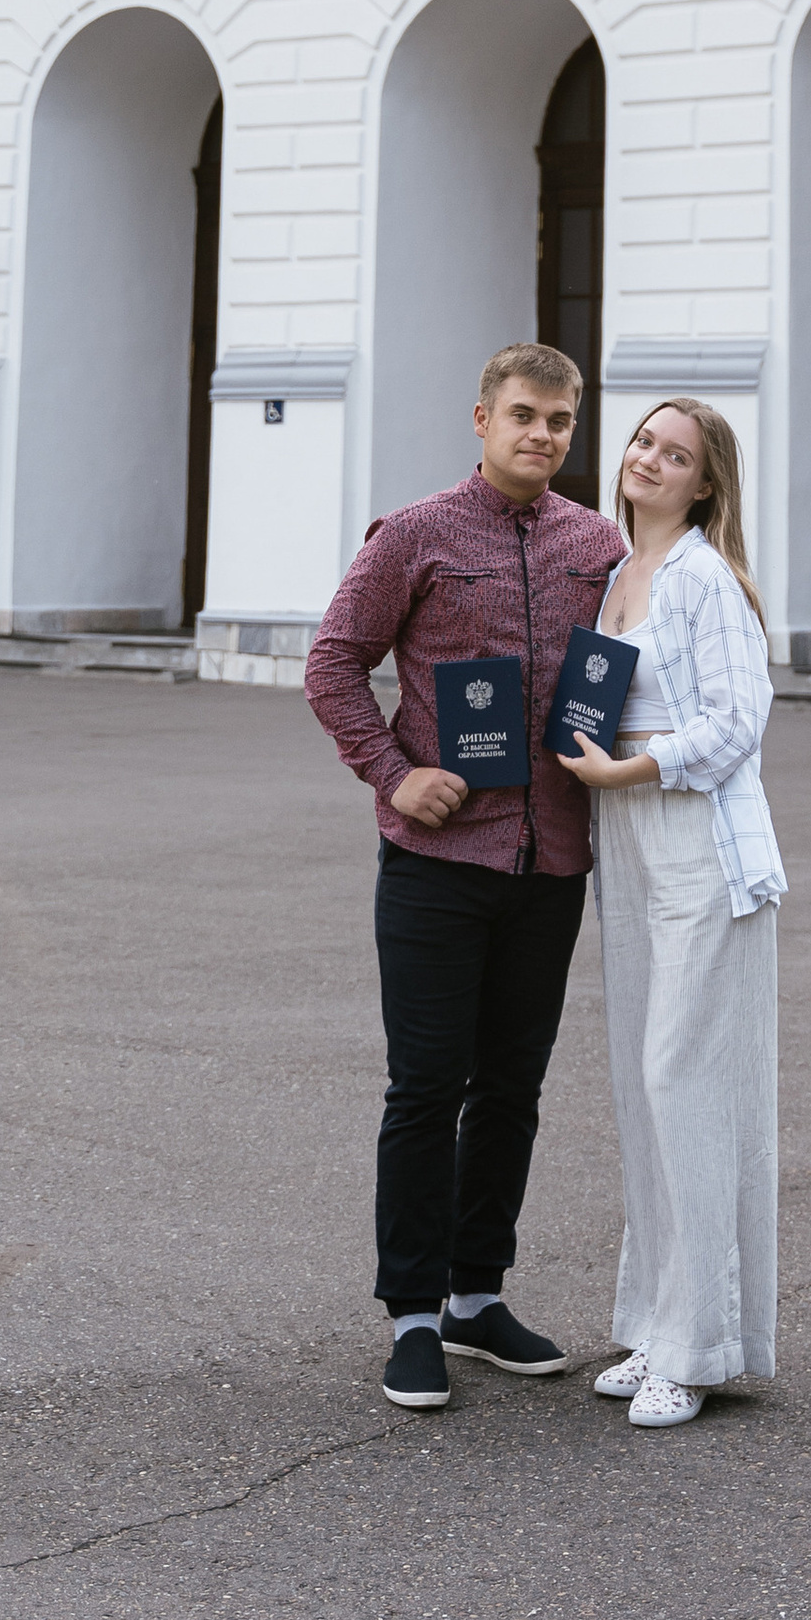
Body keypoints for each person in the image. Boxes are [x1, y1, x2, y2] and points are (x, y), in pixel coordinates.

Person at [304, 342, 626, 1414]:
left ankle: (477, 1297)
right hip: (438, 864)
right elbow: (333, 662)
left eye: (561, 422)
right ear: (480, 419)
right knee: (425, 1087)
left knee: (512, 1091)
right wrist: (396, 777)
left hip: (551, 863)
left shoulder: (599, 543)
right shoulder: (415, 537)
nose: (542, 435)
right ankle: (410, 1315)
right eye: (524, 415)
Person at [554, 393, 784, 1430]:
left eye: (675, 453)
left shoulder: (702, 578)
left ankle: (698, 1349)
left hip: (697, 846)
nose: (648, 458)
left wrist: (638, 765)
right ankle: (655, 1322)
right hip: (627, 846)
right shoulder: (613, 574)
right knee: (640, 1088)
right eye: (644, 441)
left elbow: (740, 720)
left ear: (704, 483)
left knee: (682, 1080)